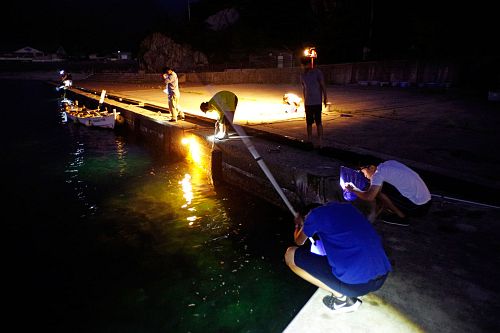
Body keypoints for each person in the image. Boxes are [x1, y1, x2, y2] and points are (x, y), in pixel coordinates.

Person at [285, 202, 392, 313]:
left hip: (358, 286)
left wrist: (298, 225)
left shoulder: (314, 216)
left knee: (290, 254)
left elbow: (299, 241)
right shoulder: (346, 207)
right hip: (382, 274)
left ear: (306, 217)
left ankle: (343, 299)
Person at [346, 159, 432, 226]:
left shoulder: (378, 174)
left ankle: (402, 218)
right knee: (379, 188)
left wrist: (353, 189)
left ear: (371, 167)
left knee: (379, 193)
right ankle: (391, 210)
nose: (364, 175)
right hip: (427, 202)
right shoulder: (389, 163)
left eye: (363, 171)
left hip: (418, 208)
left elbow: (369, 197)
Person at [300, 56, 328, 147]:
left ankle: (320, 142)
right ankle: (309, 140)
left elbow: (323, 85)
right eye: (303, 65)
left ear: (308, 64)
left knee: (318, 122)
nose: (303, 67)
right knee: (309, 122)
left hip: (316, 102)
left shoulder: (317, 72)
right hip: (308, 102)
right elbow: (304, 88)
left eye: (304, 65)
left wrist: (325, 97)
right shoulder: (302, 75)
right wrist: (304, 101)